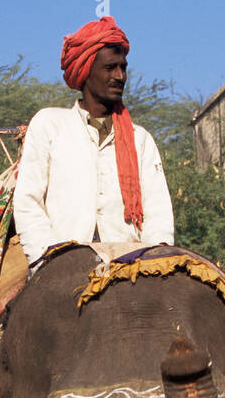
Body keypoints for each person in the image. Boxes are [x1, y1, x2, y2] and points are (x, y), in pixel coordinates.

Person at [13, 15, 175, 266]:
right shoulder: (49, 125)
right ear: (86, 71)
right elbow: (28, 203)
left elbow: (158, 217)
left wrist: (153, 266)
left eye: (123, 67)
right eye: (110, 68)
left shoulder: (140, 140)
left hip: (131, 266)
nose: (120, 76)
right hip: (61, 263)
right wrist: (48, 261)